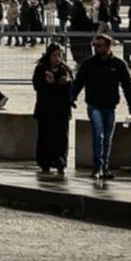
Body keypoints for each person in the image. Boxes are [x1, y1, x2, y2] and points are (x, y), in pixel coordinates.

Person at [71, 33, 131, 180]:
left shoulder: (118, 64)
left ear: (108, 47)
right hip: (94, 106)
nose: (96, 48)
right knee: (98, 134)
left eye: (99, 46)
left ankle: (105, 168)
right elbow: (78, 82)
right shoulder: (88, 64)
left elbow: (127, 85)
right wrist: (72, 97)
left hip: (110, 106)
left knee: (107, 138)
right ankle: (97, 167)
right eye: (94, 45)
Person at [32, 43, 74, 177]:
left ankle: (60, 161)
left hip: (61, 109)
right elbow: (37, 85)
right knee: (45, 136)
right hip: (45, 108)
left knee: (61, 136)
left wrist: (66, 82)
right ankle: (45, 162)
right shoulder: (41, 69)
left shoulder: (65, 69)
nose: (57, 58)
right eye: (55, 55)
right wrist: (47, 82)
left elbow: (72, 86)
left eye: (59, 55)